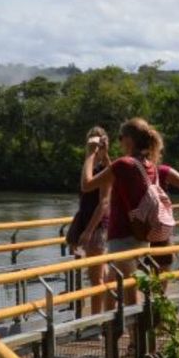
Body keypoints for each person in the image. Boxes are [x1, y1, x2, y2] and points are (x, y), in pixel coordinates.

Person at [80, 117, 165, 307]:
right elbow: (115, 179)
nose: (119, 141)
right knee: (113, 285)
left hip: (123, 239)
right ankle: (111, 330)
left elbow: (87, 184)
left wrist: (90, 154)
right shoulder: (149, 165)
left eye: (121, 137)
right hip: (142, 235)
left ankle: (136, 333)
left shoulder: (124, 165)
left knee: (129, 290)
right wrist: (105, 155)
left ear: (129, 139)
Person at [69, 126, 110, 314]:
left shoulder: (106, 168)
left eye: (98, 141)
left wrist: (88, 231)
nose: (94, 146)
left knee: (96, 278)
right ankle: (102, 313)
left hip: (97, 227)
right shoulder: (89, 166)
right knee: (100, 274)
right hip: (87, 223)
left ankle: (95, 323)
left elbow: (103, 203)